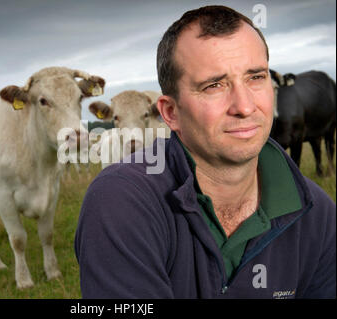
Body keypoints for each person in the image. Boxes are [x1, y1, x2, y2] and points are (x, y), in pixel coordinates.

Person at [75, 5, 336, 298]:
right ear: (171, 113)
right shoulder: (122, 201)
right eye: (214, 85)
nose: (245, 107)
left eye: (256, 78)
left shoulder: (317, 213)